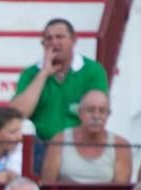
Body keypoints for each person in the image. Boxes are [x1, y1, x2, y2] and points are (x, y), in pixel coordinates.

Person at [10, 18, 108, 175]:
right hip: (40, 147)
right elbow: (15, 115)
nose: (54, 42)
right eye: (48, 39)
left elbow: (97, 112)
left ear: (74, 40)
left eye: (60, 37)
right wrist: (44, 74)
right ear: (43, 45)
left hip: (78, 145)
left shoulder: (93, 71)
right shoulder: (31, 74)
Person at [39, 89, 131, 183]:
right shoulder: (60, 141)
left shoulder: (120, 146)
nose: (96, 116)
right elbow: (48, 185)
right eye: (91, 110)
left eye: (102, 111)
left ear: (108, 115)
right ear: (80, 113)